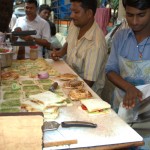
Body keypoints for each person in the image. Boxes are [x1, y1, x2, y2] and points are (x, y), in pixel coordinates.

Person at [51, 0, 108, 95]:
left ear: (89, 13)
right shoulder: (75, 24)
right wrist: (60, 52)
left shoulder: (96, 44)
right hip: (69, 79)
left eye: (76, 12)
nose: (71, 16)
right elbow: (69, 41)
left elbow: (88, 82)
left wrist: (66, 89)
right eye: (72, 11)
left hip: (86, 92)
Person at [105, 0, 150, 114]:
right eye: (130, 15)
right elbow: (110, 70)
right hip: (121, 107)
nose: (134, 22)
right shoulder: (120, 37)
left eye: (141, 15)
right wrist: (128, 87)